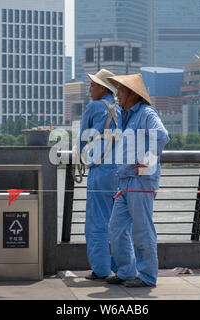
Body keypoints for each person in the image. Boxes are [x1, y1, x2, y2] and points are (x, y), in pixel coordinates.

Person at [105, 73, 170, 288]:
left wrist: (146, 162)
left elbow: (162, 136)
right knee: (116, 228)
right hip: (124, 181)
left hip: (140, 182)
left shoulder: (146, 113)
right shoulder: (127, 116)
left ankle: (147, 276)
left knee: (142, 229)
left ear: (133, 94)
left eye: (121, 91)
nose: (117, 95)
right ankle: (125, 271)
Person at [78, 69, 122, 281]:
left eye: (93, 85)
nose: (90, 89)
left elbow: (82, 140)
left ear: (103, 88)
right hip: (120, 172)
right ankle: (120, 267)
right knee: (118, 222)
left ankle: (101, 269)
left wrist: (81, 156)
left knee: (97, 221)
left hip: (100, 169)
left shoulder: (94, 107)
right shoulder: (122, 108)